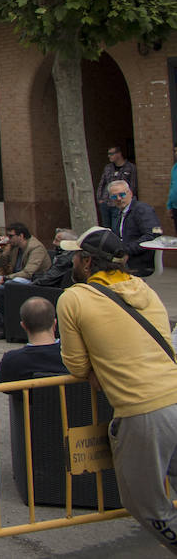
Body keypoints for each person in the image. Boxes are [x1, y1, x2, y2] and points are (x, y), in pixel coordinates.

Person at [57, 226, 177, 553]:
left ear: (86, 262)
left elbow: (78, 367)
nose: (73, 260)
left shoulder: (74, 299)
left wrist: (101, 367)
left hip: (143, 410)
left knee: (146, 504)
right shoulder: (144, 288)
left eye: (76, 255)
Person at [0, 297, 66, 382]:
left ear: (23, 326)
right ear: (55, 323)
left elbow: (5, 388)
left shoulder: (12, 360)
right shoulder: (71, 355)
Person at [106, 180, 161, 277]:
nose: (118, 199)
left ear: (130, 193)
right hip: (123, 258)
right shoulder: (119, 213)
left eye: (122, 194)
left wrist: (126, 251)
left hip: (141, 261)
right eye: (114, 196)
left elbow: (153, 235)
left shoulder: (142, 209)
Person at [97, 145, 139, 231]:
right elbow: (102, 183)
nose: (109, 156)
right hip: (106, 202)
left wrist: (127, 200)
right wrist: (100, 198)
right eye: (108, 154)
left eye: (111, 154)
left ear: (119, 154)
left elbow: (133, 186)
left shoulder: (130, 167)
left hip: (119, 202)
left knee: (116, 227)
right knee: (106, 228)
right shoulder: (108, 167)